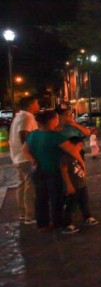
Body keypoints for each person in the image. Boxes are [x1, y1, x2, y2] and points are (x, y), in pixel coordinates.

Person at [21, 110, 86, 229]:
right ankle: (58, 222)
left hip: (38, 170)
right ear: (51, 121)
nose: (57, 120)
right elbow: (72, 150)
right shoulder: (56, 136)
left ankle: (43, 223)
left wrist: (32, 160)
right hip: (53, 170)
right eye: (56, 118)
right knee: (56, 197)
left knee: (41, 197)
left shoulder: (32, 134)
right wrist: (82, 163)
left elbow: (24, 150)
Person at [9, 96, 40, 224]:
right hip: (25, 158)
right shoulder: (26, 117)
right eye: (37, 102)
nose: (38, 105)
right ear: (31, 104)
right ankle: (30, 215)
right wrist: (31, 156)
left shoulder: (18, 116)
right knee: (30, 186)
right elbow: (24, 135)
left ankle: (23, 213)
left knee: (22, 185)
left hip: (17, 157)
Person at [60, 137, 99, 234]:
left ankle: (87, 217)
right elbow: (64, 171)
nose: (81, 148)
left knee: (84, 202)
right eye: (79, 146)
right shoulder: (65, 157)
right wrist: (69, 185)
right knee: (70, 204)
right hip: (73, 185)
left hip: (81, 184)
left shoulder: (77, 156)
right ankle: (67, 224)